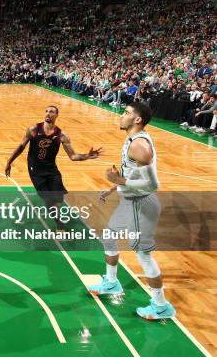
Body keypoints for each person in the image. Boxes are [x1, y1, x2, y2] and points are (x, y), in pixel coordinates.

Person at [88, 102, 176, 320]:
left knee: (143, 256)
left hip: (141, 204)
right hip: (130, 201)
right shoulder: (131, 140)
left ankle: (161, 305)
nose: (122, 114)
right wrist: (113, 187)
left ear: (138, 120)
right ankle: (111, 282)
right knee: (109, 237)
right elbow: (133, 174)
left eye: (127, 113)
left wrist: (118, 180)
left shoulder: (139, 146)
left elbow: (152, 184)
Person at [4, 106, 102, 229]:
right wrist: (9, 162)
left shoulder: (61, 136)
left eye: (51, 112)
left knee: (57, 199)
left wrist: (87, 156)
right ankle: (59, 224)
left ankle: (57, 215)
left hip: (51, 169)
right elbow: (21, 146)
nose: (48, 113)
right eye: (46, 111)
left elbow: (73, 156)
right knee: (49, 200)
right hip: (36, 170)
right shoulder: (34, 129)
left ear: (57, 115)